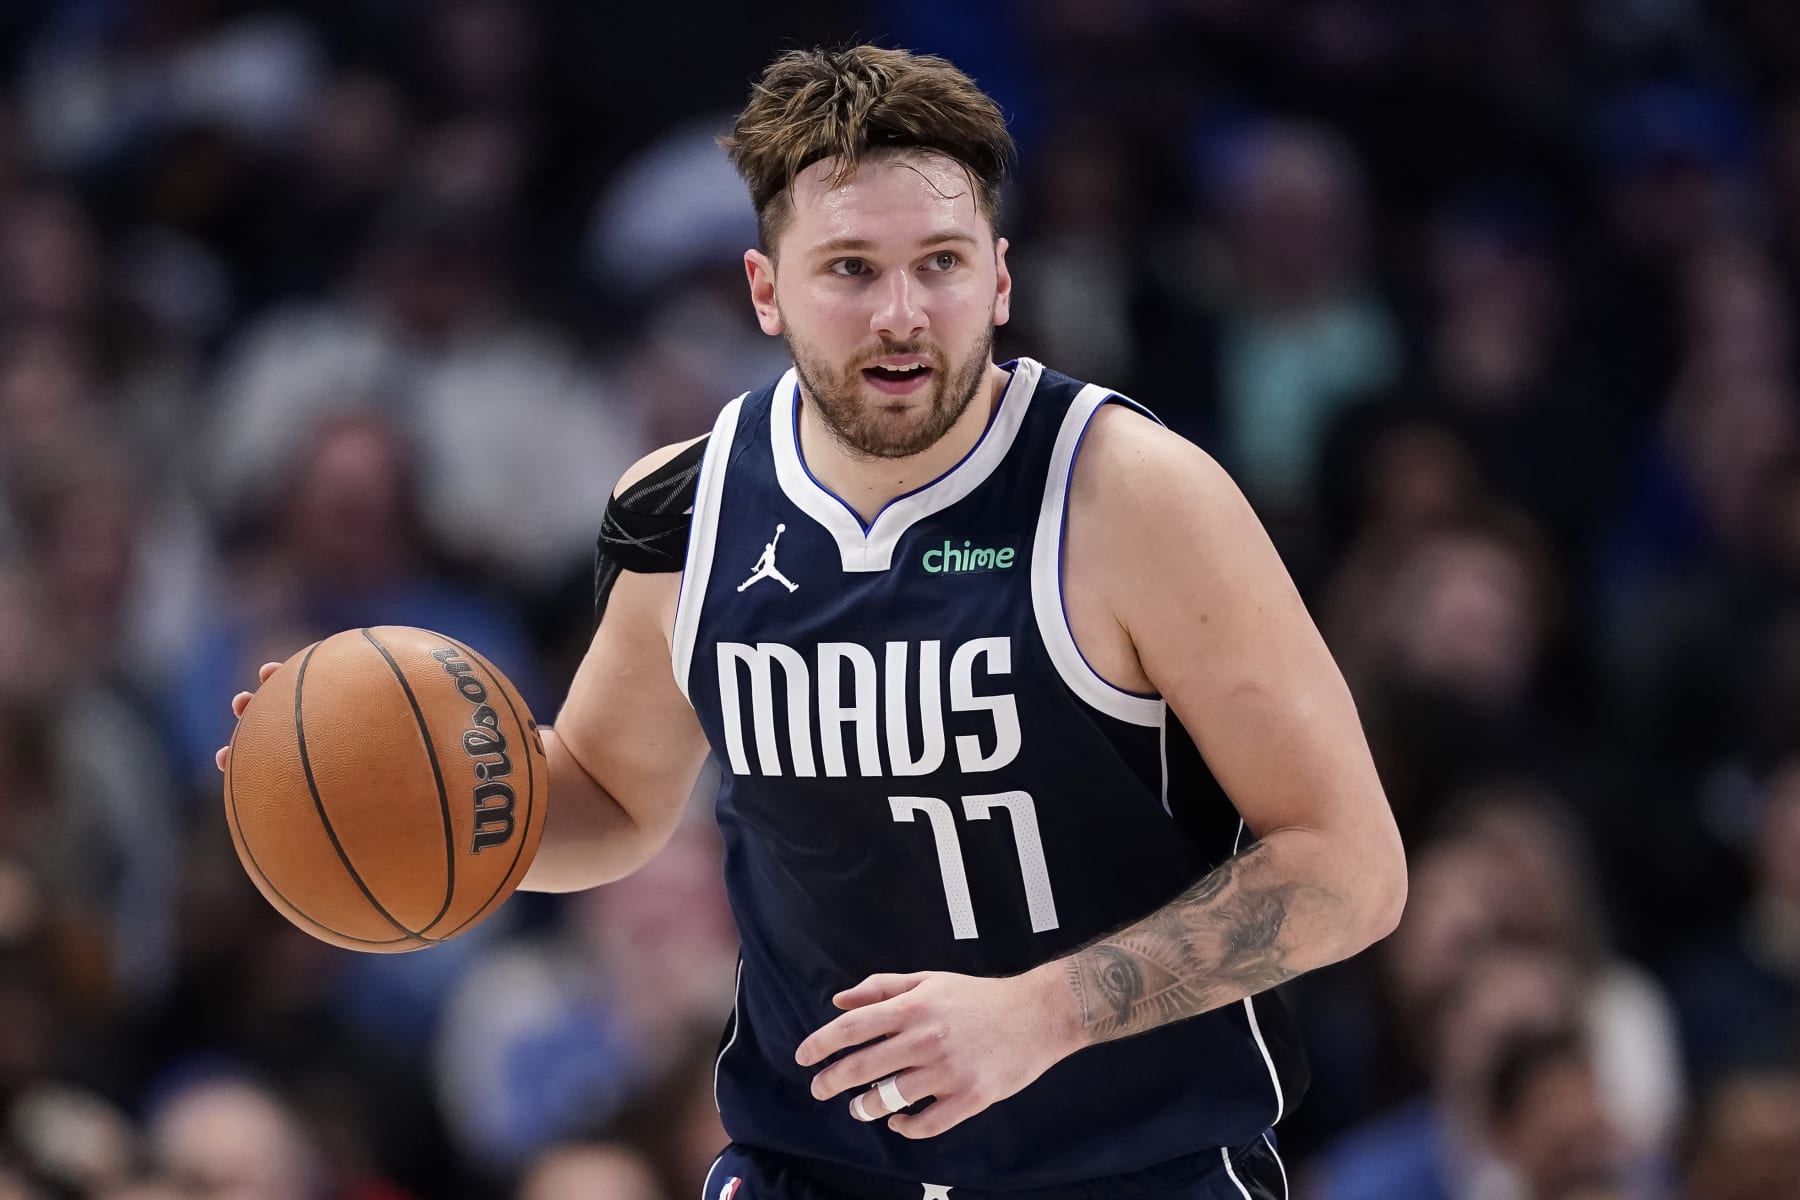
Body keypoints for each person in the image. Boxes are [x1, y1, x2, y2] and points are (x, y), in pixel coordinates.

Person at [219, 44, 1407, 1200]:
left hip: (1128, 1166)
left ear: (1000, 276)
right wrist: (381, 812)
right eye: (849, 268)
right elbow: (613, 799)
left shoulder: (1135, 495)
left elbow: (1350, 868)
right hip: (812, 1166)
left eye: (939, 263)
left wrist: (1043, 1013)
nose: (901, 313)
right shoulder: (681, 506)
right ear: (765, 289)